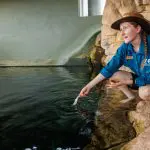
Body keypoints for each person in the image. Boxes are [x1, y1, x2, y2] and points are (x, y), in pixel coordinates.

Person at [79, 12, 150, 103]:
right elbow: (109, 68)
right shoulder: (125, 48)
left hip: (146, 81)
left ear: (137, 29)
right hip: (140, 79)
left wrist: (128, 82)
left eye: (125, 28)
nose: (122, 33)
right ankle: (131, 97)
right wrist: (89, 86)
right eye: (121, 29)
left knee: (145, 92)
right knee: (114, 75)